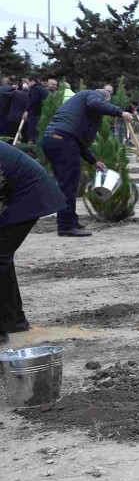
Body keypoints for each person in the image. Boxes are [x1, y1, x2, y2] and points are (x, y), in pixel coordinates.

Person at [40, 85, 130, 238]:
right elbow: (96, 105)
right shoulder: (91, 95)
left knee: (65, 182)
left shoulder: (81, 110)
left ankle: (71, 220)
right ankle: (66, 226)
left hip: (53, 139)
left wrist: (93, 161)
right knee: (68, 184)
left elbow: (79, 141)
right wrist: (120, 112)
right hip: (63, 140)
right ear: (105, 99)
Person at [0, 143, 65, 342]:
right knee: (2, 257)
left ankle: (3, 329)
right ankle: (14, 321)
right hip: (19, 192)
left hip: (30, 193)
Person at [21, 76, 48, 145]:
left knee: (32, 133)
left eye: (28, 83)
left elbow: (33, 100)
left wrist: (27, 111)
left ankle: (37, 149)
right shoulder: (43, 89)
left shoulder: (34, 89)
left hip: (35, 114)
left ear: (33, 82)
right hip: (43, 114)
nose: (27, 84)